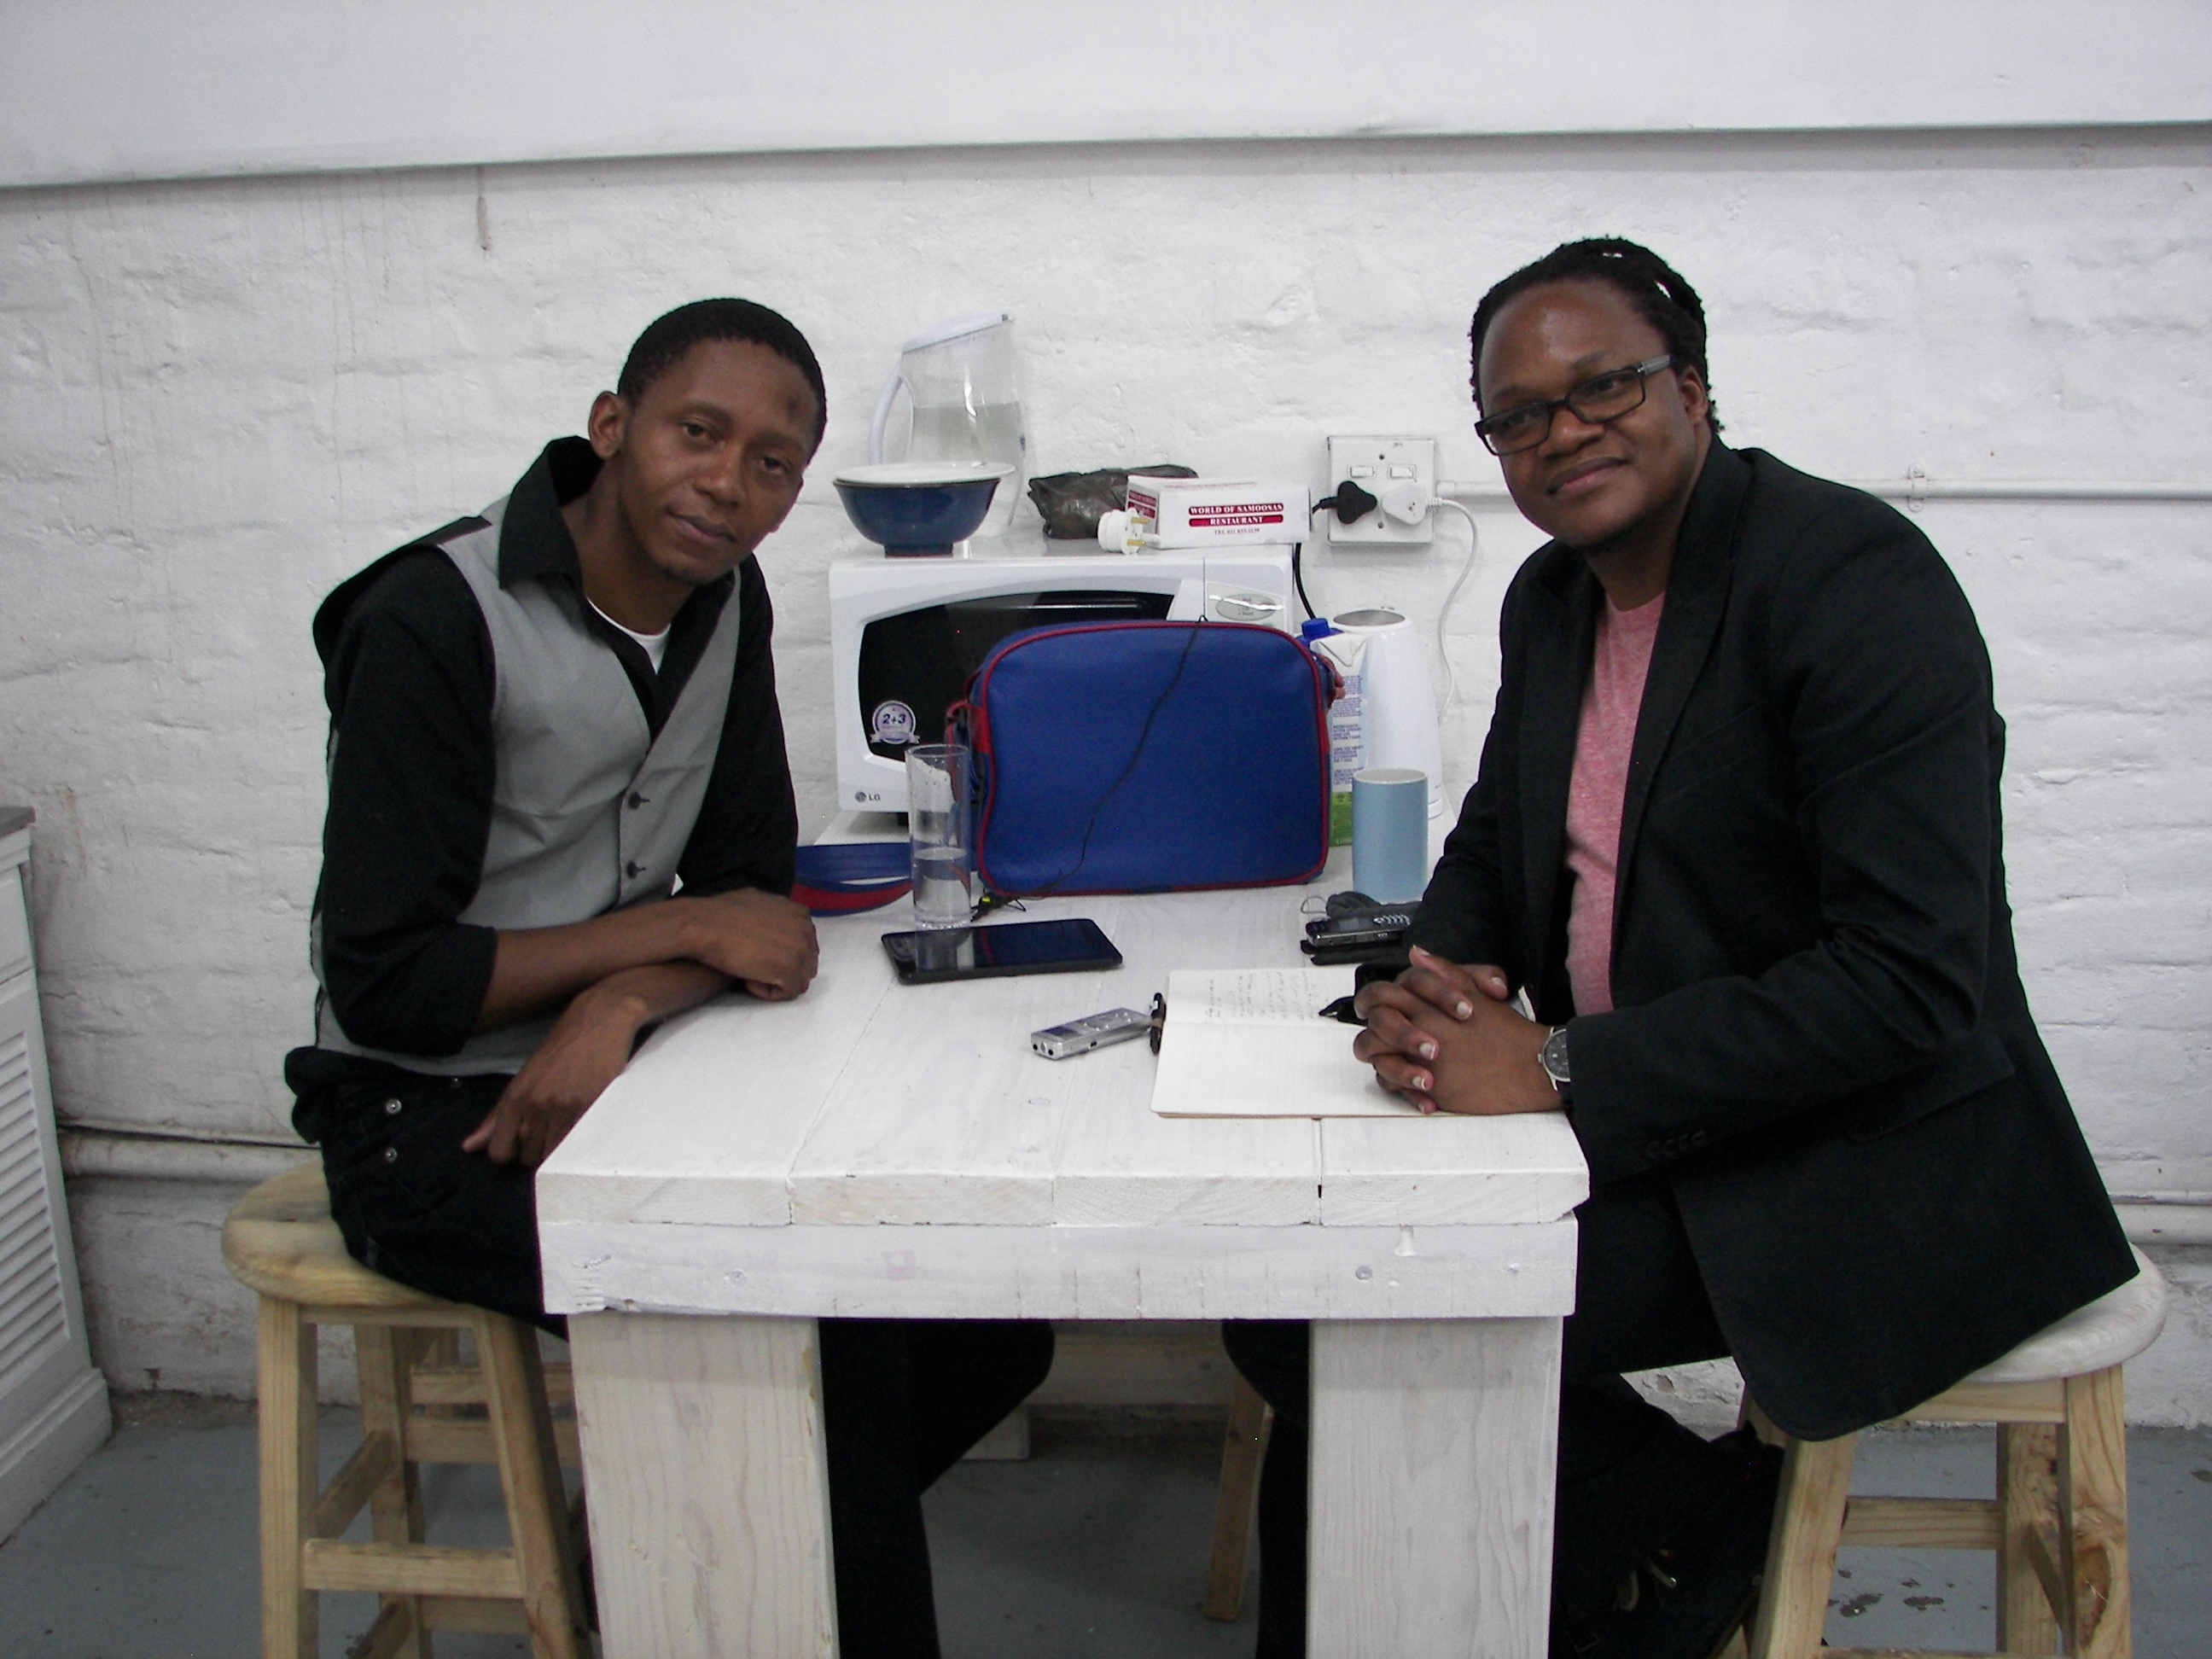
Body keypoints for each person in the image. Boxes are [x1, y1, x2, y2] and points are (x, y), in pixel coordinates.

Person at [1225, 240, 2137, 1659]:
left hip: (1857, 1155)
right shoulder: (1554, 598)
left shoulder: (1851, 581)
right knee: (1295, 1279)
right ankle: (1669, 1530)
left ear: (1693, 389)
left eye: (1603, 386)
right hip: (1669, 1123)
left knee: (1344, 1300)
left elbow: (1910, 982)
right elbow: (1501, 842)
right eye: (1518, 414)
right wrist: (1425, 987)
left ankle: (1674, 1537)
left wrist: (1562, 1067)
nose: (1562, 432)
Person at [286, 298, 1052, 1658]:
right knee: (828, 1347)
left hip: (626, 1074)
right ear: (612, 426)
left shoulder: (723, 601)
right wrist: (677, 939)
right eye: (699, 433)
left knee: (987, 1330)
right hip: (423, 1121)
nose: (728, 483)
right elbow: (388, 980)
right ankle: (680, 1557)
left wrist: (623, 1000)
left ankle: (664, 1549)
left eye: (772, 463)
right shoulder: (430, 618)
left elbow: (749, 891)